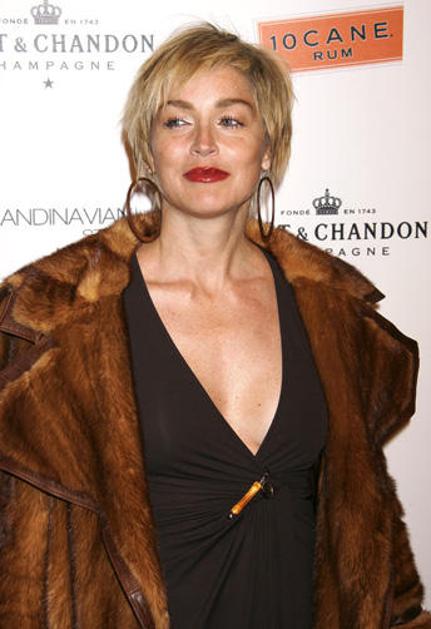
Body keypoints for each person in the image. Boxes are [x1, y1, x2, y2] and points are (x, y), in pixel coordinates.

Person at [0, 19, 429, 629]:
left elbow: (370, 534)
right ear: (147, 151)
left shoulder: (333, 313)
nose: (203, 145)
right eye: (177, 122)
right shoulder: (53, 325)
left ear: (268, 148)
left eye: (230, 120)